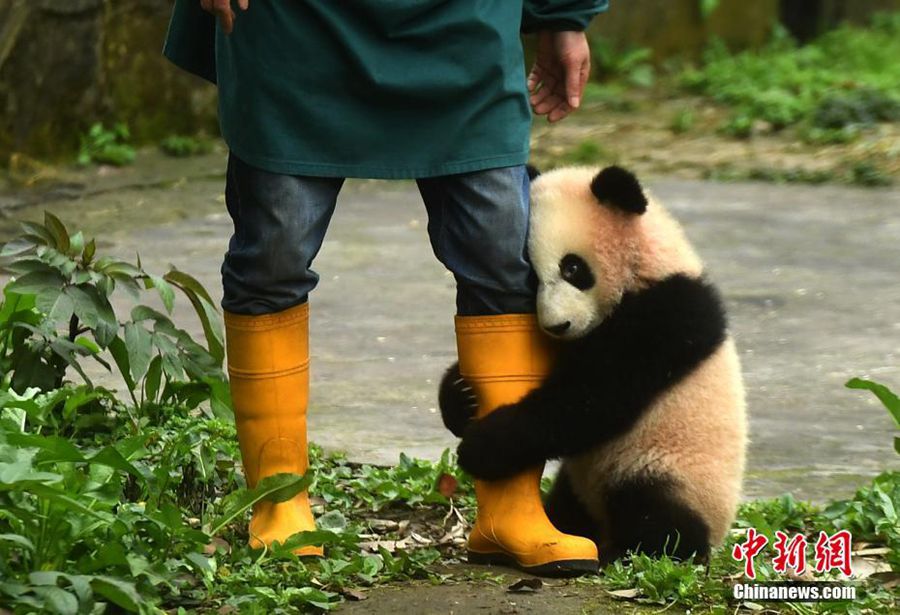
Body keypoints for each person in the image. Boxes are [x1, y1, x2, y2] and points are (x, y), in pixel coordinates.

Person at [164, 0, 609, 575]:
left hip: (461, 24)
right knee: (273, 255)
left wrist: (563, 14)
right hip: (294, 27)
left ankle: (510, 507)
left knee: (502, 252)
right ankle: (277, 503)